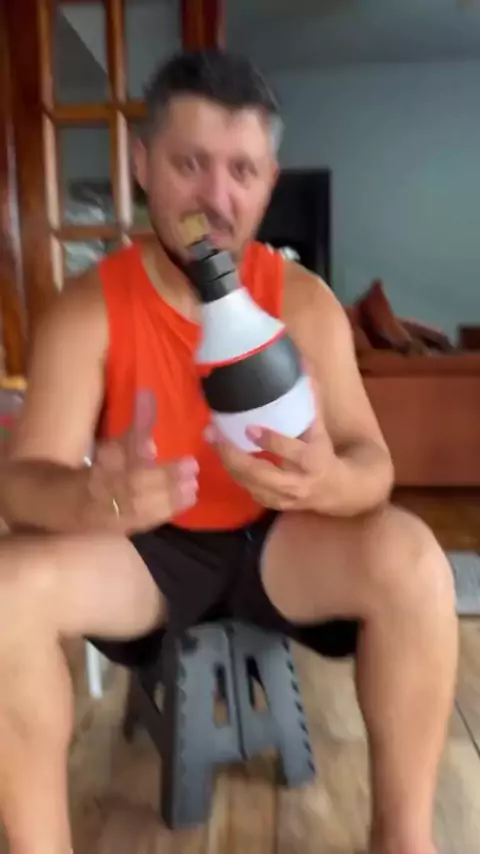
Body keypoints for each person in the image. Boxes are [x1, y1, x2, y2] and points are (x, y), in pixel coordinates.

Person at [0, 49, 457, 854]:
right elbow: (20, 487)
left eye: (242, 170)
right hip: (144, 551)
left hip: (282, 540)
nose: (217, 197)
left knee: (415, 561)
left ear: (268, 182)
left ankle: (403, 840)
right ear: (143, 166)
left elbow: (373, 467)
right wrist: (91, 496)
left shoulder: (303, 303)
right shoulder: (90, 308)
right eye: (190, 164)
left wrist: (328, 481)